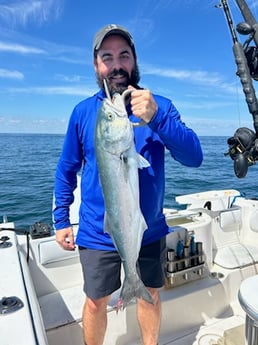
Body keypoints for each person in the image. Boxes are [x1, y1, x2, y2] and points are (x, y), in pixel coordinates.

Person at [53, 24, 203, 345]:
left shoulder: (158, 104)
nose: (116, 64)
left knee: (150, 292)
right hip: (97, 231)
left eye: (124, 55)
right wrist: (61, 219)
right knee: (96, 302)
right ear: (96, 65)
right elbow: (66, 168)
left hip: (148, 229)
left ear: (134, 60)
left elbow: (194, 157)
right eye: (107, 57)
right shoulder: (83, 112)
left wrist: (157, 118)